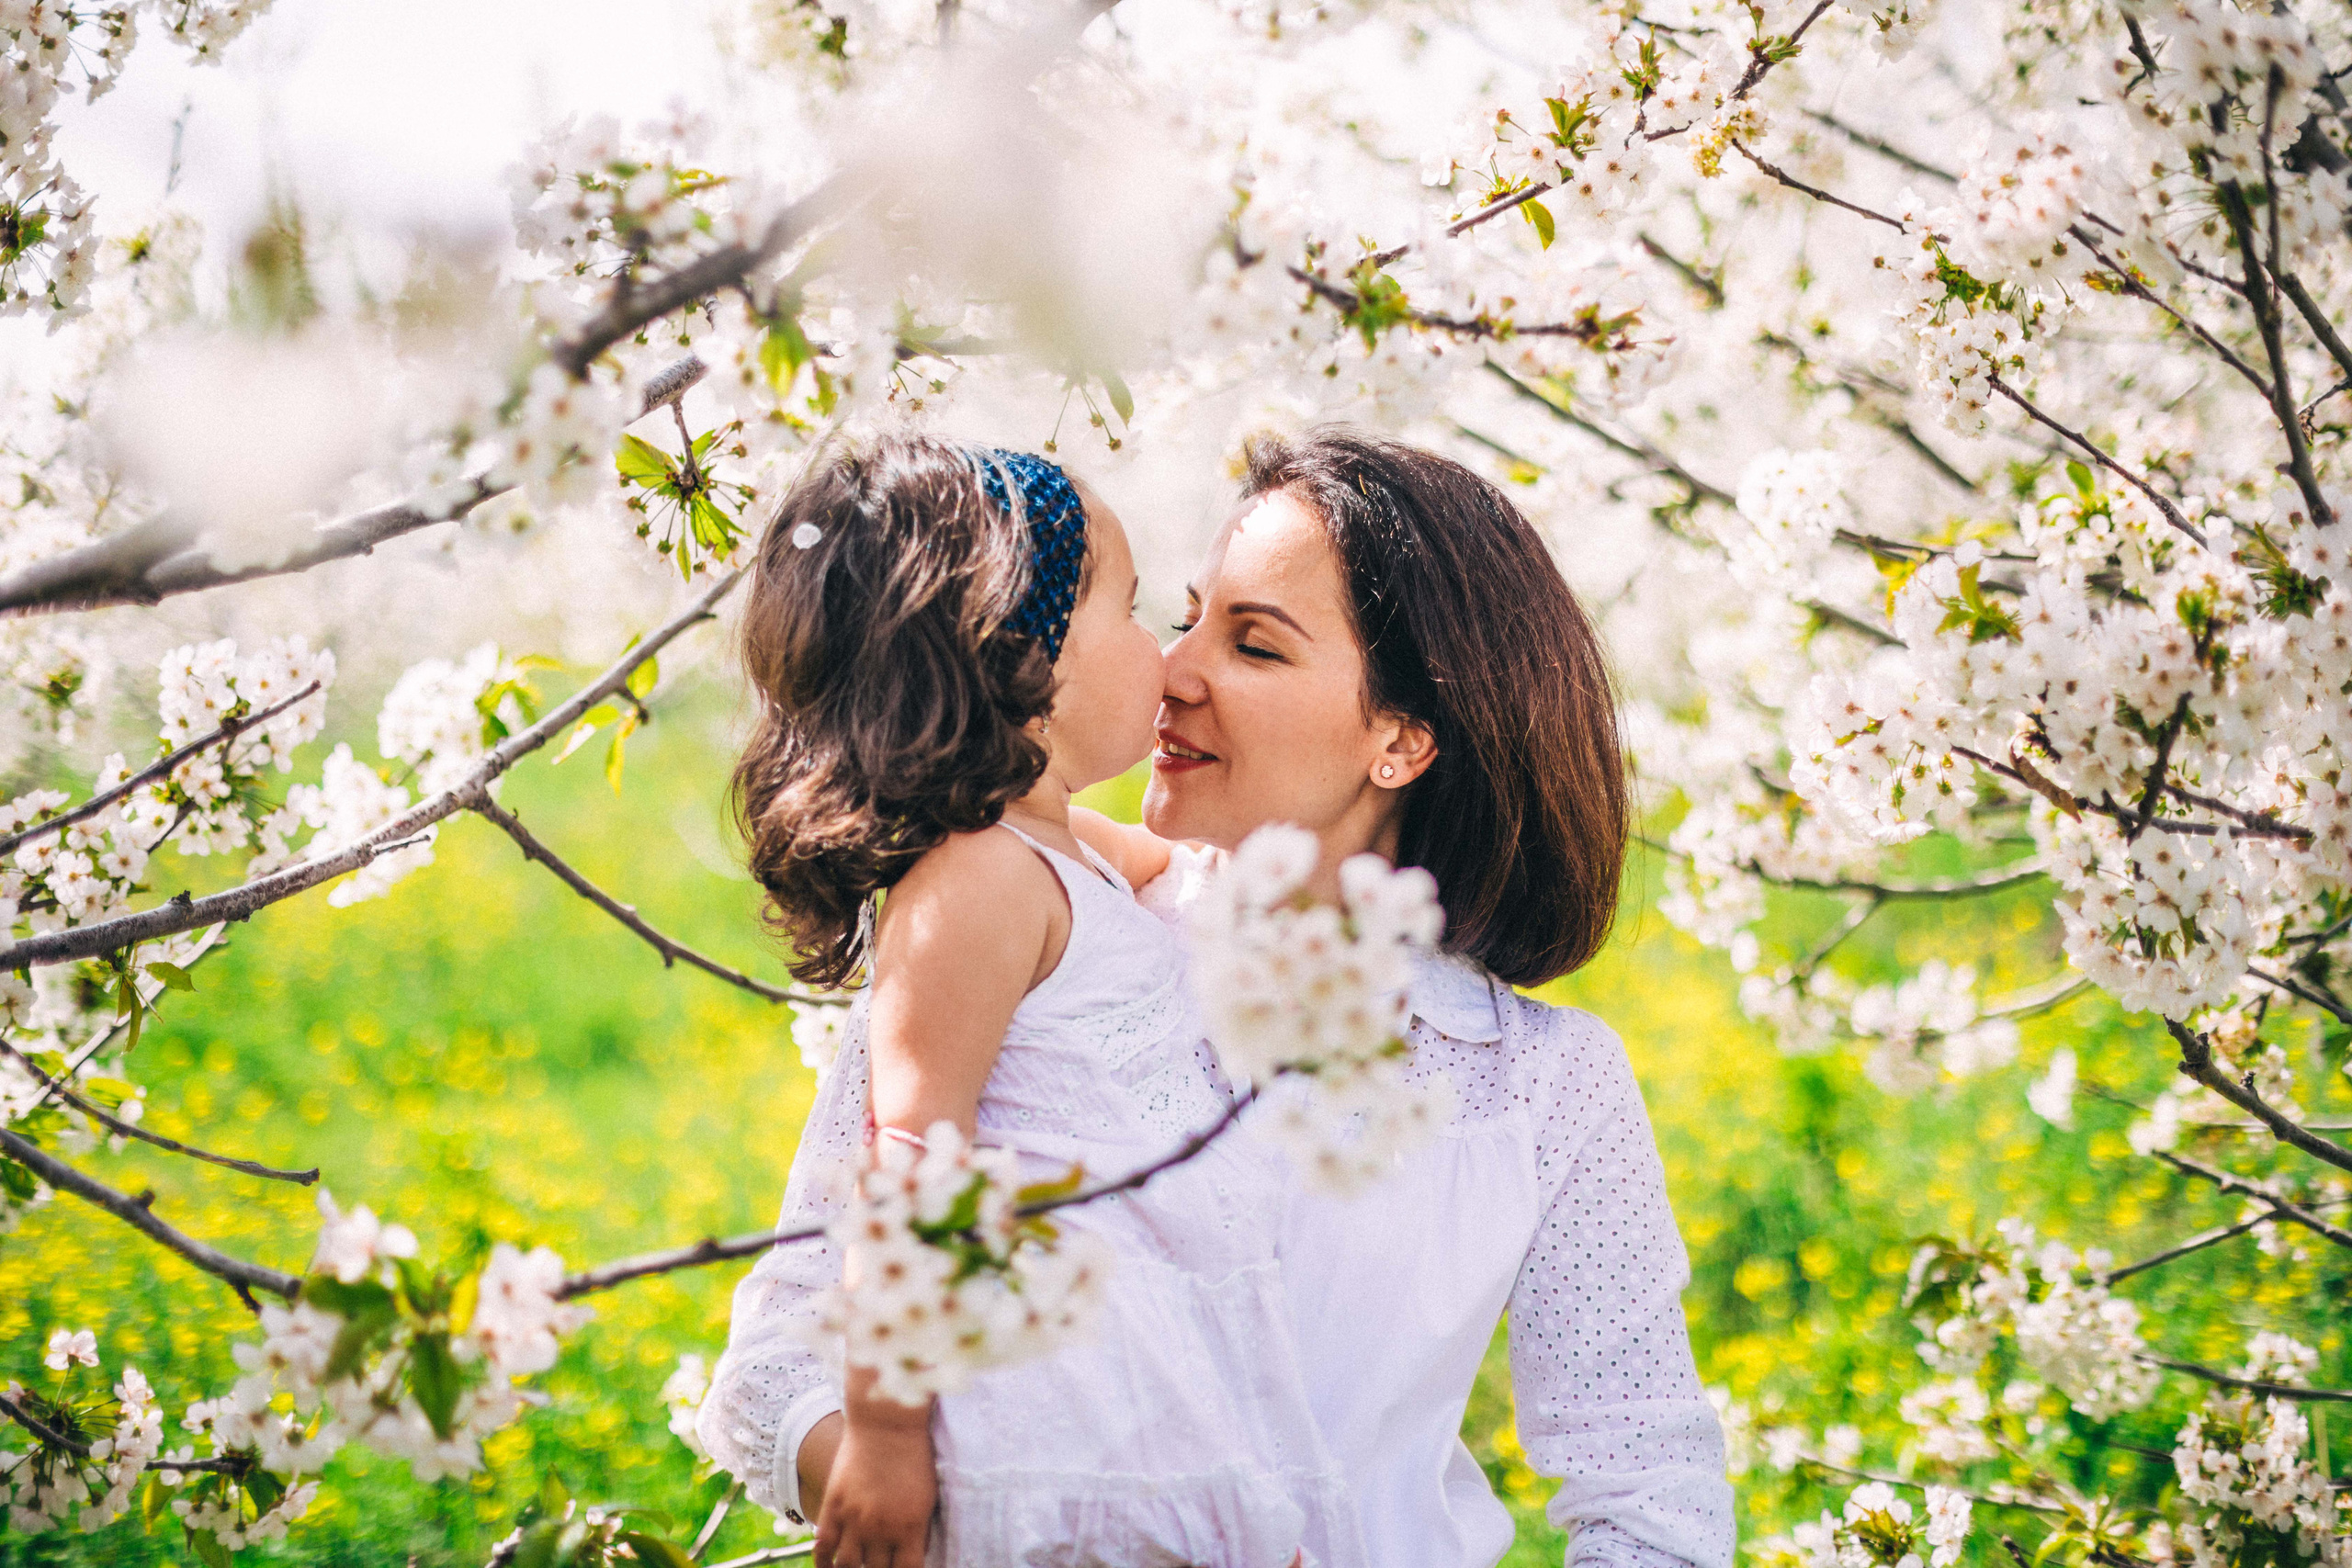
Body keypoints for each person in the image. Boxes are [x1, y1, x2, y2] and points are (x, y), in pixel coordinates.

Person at [699, 434, 1358, 1568]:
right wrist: (888, 1430)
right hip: (1053, 1429)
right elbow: (907, 1156)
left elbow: (1211, 877)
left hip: (1159, 1400)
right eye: (1133, 610)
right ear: (1021, 655)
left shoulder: (1067, 855)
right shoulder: (980, 877)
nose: (1164, 653)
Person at [1115, 427, 1736, 1568]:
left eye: (1251, 644)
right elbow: (788, 1363)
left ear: (1399, 741)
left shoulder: (1540, 1085)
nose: (1172, 670)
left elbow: (1649, 1485)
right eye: (1184, 617)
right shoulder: (1039, 951)